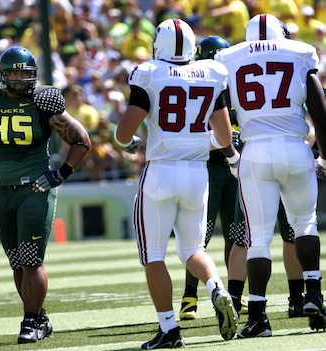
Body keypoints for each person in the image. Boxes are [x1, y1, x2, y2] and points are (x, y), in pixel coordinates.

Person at [115, 19, 239, 349]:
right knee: (192, 250)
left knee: (154, 256)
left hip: (161, 172)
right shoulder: (211, 73)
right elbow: (225, 137)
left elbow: (124, 133)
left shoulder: (149, 72)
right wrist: (195, 144)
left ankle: (169, 330)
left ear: (159, 44)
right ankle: (216, 287)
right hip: (197, 173)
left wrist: (127, 144)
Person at [0, 46, 91, 344]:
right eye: (13, 73)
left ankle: (30, 321)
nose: (19, 78)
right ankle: (40, 317)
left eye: (24, 73)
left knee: (31, 260)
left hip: (34, 189)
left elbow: (81, 140)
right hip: (1, 191)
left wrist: (61, 173)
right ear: (3, 76)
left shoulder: (43, 102)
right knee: (17, 262)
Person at [215, 13, 326, 338]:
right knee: (304, 223)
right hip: (294, 146)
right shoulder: (300, 51)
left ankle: (260, 316)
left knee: (258, 237)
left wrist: (231, 155)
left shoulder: (227, 57)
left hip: (256, 151)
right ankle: (314, 295)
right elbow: (319, 110)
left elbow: (218, 111)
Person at [177, 35, 248, 320]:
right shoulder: (198, 87)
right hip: (207, 166)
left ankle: (233, 294)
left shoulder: (238, 87)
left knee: (235, 234)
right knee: (199, 238)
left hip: (232, 168)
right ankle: (189, 296)